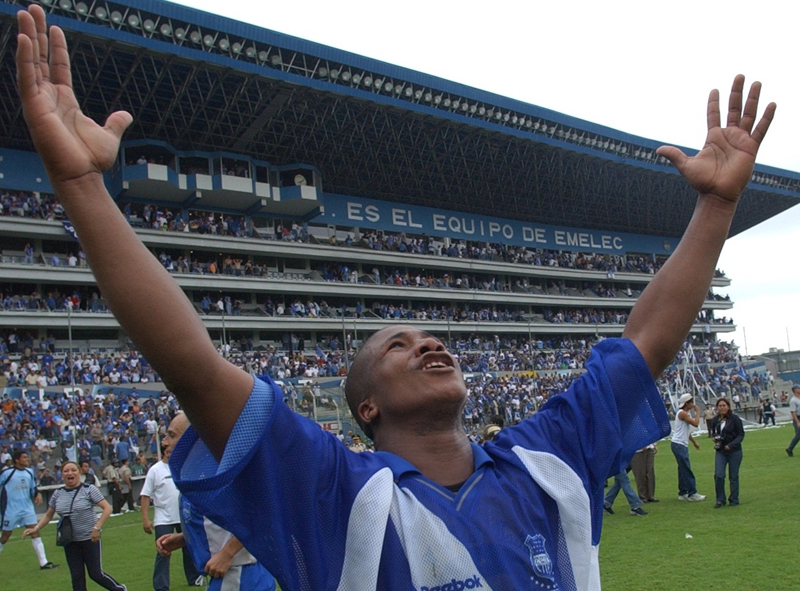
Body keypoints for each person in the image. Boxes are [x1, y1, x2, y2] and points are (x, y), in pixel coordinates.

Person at [13, 6, 776, 588]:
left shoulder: (544, 458)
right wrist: (83, 186)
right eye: (397, 346)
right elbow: (194, 367)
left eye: (429, 337)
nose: (428, 342)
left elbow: (645, 343)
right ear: (367, 406)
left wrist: (715, 207)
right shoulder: (335, 492)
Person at [155, 413, 276, 591]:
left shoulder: (221, 473)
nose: (165, 442)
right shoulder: (198, 473)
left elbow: (259, 515)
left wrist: (227, 553)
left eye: (172, 435)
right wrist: (185, 538)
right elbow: (224, 522)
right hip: (229, 574)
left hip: (240, 575)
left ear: (194, 439)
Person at [22, 461, 125, 591]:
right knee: (77, 577)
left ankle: (120, 589)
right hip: (70, 541)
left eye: (73, 470)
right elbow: (48, 515)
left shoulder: (89, 489)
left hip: (89, 539)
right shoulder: (58, 493)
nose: (70, 473)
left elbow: (107, 508)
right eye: (66, 471)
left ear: (79, 473)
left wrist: (97, 528)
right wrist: (35, 528)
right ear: (62, 475)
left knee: (95, 574)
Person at [140, 435, 204, 589]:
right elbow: (145, 495)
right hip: (163, 518)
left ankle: (194, 578)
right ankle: (161, 585)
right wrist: (145, 519)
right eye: (168, 451)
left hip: (182, 516)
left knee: (189, 547)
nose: (171, 453)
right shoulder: (155, 470)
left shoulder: (183, 466)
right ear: (164, 452)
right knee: (163, 550)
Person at [0, 450, 58, 569]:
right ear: (17, 460)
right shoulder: (7, 473)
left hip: (27, 509)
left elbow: (33, 487)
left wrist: (37, 494)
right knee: (5, 536)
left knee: (35, 531)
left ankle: (44, 563)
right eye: (24, 457)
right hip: (10, 509)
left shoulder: (29, 472)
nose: (27, 459)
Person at [709, 398, 744, 508]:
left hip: (734, 451)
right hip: (721, 451)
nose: (722, 408)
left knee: (733, 476)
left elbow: (741, 435)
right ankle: (720, 499)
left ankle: (734, 499)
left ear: (728, 406)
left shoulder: (735, 419)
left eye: (724, 405)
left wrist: (731, 445)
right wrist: (715, 438)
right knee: (719, 475)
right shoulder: (715, 420)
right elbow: (714, 432)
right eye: (720, 406)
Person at [671, 394, 706, 501]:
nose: (693, 404)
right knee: (686, 468)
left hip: (679, 443)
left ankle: (683, 492)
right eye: (691, 402)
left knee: (682, 468)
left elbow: (686, 431)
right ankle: (692, 493)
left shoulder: (683, 414)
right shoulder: (682, 413)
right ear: (687, 403)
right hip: (679, 444)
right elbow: (695, 424)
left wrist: (694, 442)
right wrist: (698, 412)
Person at [785, 385, 800, 457]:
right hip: (798, 418)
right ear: (795, 390)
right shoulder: (793, 400)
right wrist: (797, 422)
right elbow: (793, 412)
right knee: (798, 435)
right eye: (798, 388)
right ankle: (790, 448)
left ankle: (790, 448)